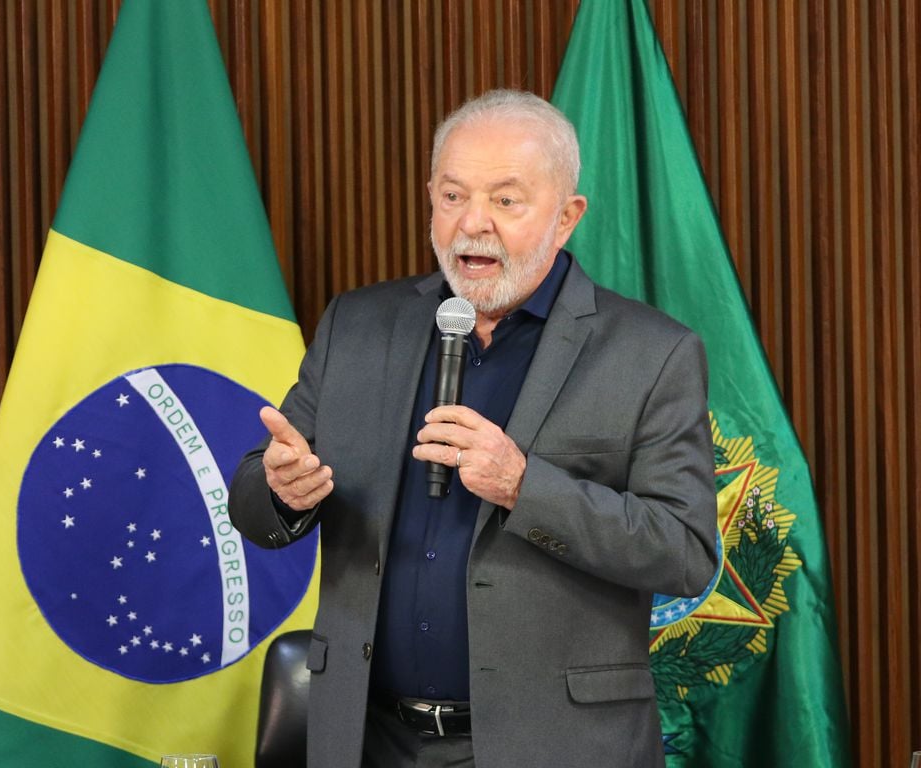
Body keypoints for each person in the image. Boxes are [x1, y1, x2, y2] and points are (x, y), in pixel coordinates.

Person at [230, 89, 718, 768]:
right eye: (454, 197)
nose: (472, 225)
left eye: (506, 201)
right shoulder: (358, 327)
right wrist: (280, 489)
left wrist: (526, 487)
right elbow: (258, 504)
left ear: (567, 216)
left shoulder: (649, 353)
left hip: (557, 746)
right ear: (430, 196)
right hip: (369, 739)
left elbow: (687, 552)